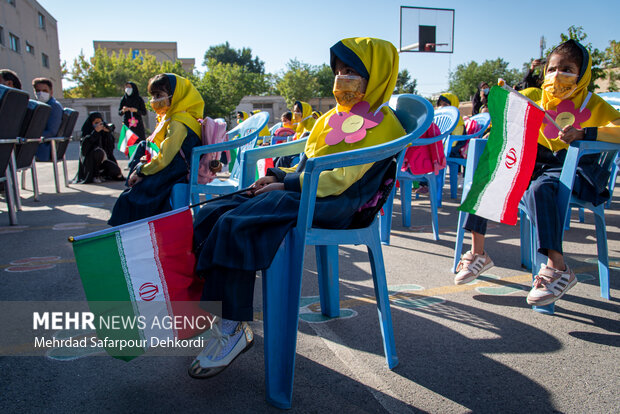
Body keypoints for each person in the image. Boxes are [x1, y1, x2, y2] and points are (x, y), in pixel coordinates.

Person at [188, 37, 405, 378]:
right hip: (308, 191)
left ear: (375, 74)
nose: (341, 79)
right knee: (214, 212)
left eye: (351, 71)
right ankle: (216, 309)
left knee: (238, 222)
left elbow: (342, 179)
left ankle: (233, 327)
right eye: (338, 71)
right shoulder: (332, 118)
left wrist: (286, 185)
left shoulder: (384, 123)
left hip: (339, 203)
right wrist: (276, 175)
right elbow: (308, 163)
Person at [455, 39, 620, 307]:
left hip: (576, 168)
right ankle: (478, 253)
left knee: (540, 189)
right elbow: (510, 113)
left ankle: (558, 268)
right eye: (552, 68)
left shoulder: (594, 104)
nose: (557, 75)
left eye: (567, 69)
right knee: (490, 176)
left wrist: (585, 133)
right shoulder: (535, 96)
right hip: (539, 163)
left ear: (582, 73)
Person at [108, 73, 204, 226]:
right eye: (153, 95)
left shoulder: (178, 123)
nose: (154, 100)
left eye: (159, 95)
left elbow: (164, 158)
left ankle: (136, 238)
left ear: (176, 95)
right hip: (173, 170)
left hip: (174, 173)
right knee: (133, 193)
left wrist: (141, 171)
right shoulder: (176, 118)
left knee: (129, 199)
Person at [73, 112, 124, 184]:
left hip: (104, 161)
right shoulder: (87, 132)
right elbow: (85, 149)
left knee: (116, 172)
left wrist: (107, 133)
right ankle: (95, 176)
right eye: (96, 122)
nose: (98, 124)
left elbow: (110, 147)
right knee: (98, 152)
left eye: (100, 122)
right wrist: (95, 132)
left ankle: (103, 174)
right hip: (90, 163)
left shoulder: (102, 131)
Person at [32, 78, 63, 162]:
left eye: (45, 91)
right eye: (38, 91)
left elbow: (51, 132)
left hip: (44, 148)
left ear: (51, 92)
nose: (41, 93)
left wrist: (30, 136)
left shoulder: (54, 106)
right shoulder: (40, 106)